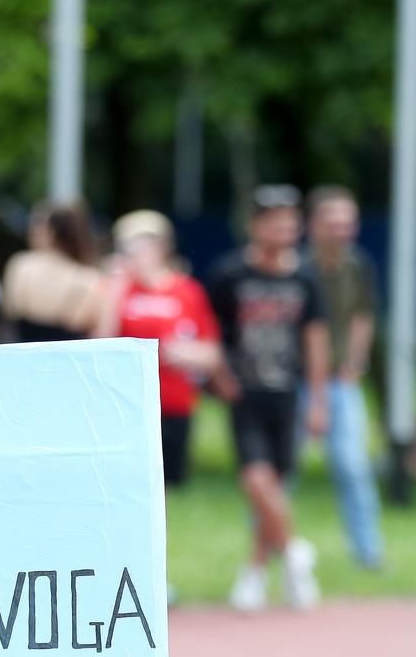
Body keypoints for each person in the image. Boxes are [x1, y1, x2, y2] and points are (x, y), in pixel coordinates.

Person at [207, 184, 329, 611]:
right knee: (256, 480)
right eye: (274, 221)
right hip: (245, 393)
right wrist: (220, 375)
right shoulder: (230, 275)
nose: (283, 229)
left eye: (290, 222)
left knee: (275, 486)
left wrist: (318, 400)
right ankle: (295, 551)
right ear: (255, 225)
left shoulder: (305, 277)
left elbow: (315, 340)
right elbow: (211, 331)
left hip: (287, 393)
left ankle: (256, 574)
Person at [96, 209, 221, 486]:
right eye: (130, 247)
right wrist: (115, 290)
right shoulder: (115, 289)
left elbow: (212, 353)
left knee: (168, 486)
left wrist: (182, 353)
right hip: (125, 403)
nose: (138, 254)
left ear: (163, 247)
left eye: (145, 245)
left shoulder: (187, 291)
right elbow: (99, 344)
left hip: (174, 403)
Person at [301, 186, 385, 570]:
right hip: (298, 381)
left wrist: (355, 362)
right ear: (313, 224)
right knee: (279, 469)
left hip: (341, 380)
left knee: (353, 467)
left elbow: (362, 315)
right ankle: (270, 549)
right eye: (333, 221)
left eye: (347, 222)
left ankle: (369, 553)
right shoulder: (299, 268)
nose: (341, 229)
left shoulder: (358, 266)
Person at [1, 201, 107, 342]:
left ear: (51, 231)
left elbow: (10, 310)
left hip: (22, 352)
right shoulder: (89, 279)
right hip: (70, 355)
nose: (31, 231)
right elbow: (98, 331)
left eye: (37, 224)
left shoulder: (22, 266)